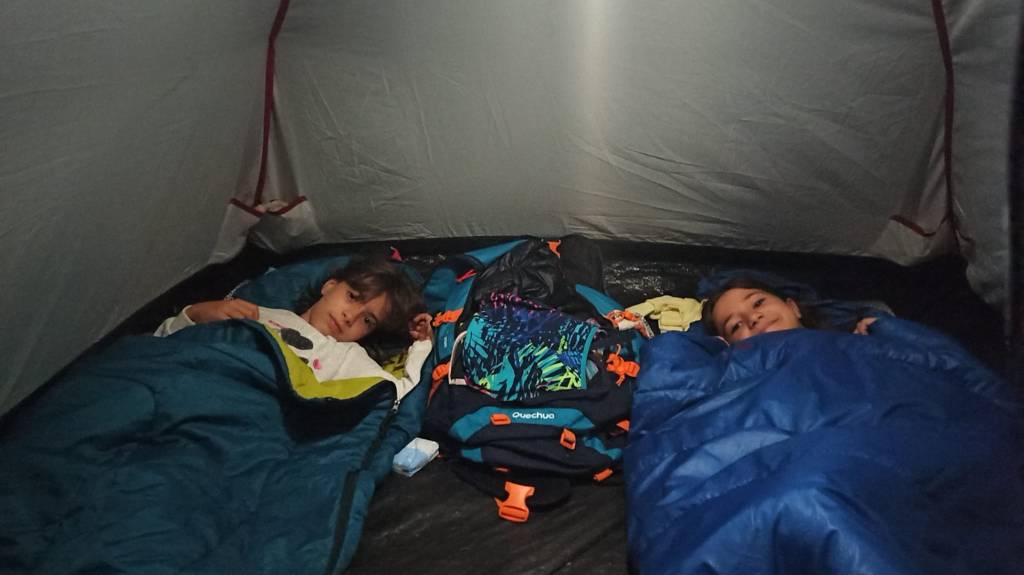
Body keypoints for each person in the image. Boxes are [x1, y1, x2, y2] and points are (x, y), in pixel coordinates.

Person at [156, 257, 433, 378]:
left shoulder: (348, 357)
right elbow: (162, 344)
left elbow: (393, 392)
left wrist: (423, 344)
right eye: (352, 296)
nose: (350, 317)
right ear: (329, 286)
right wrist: (196, 313)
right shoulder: (256, 313)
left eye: (368, 321)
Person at [701, 276, 876, 344]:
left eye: (758, 303)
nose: (753, 317)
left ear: (793, 307)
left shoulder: (859, 342)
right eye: (736, 326)